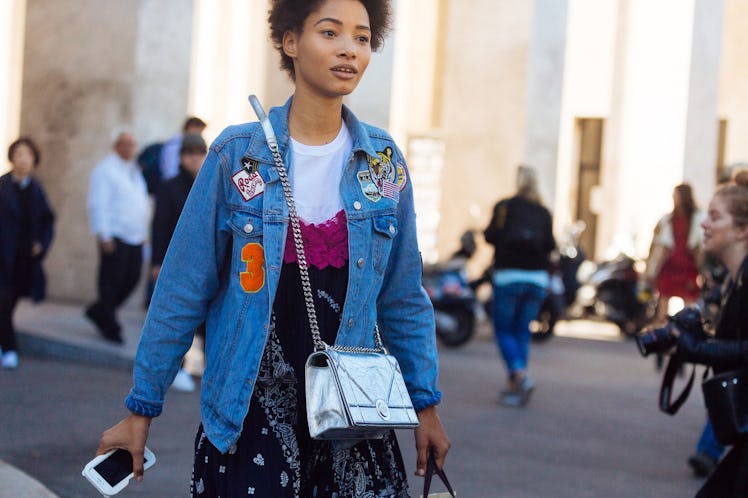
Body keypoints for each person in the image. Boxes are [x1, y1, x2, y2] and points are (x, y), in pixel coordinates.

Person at [94, 1, 450, 496]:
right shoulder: (237, 155)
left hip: (354, 423)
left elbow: (403, 298)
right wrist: (141, 408)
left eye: (363, 38)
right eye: (330, 32)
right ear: (289, 42)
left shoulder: (383, 163)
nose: (350, 48)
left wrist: (425, 406)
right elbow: (182, 289)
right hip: (252, 420)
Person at [674, 170, 748, 497]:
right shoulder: (733, 280)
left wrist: (700, 350)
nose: (704, 223)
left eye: (715, 217)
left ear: (743, 230)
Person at [484, 165, 555, 407]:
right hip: (537, 279)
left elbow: (490, 235)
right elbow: (550, 245)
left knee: (503, 330)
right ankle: (516, 384)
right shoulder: (544, 212)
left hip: (508, 277)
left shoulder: (505, 206)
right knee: (522, 332)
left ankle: (520, 376)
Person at [150, 134, 208, 393]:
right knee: (179, 320)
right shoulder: (169, 187)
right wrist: (157, 262)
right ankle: (178, 368)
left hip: (207, 265)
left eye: (200, 153)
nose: (195, 158)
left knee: (209, 322)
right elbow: (159, 226)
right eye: (190, 153)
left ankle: (210, 369)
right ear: (182, 157)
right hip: (177, 264)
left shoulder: (209, 185)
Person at [85, 129, 149, 344]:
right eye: (125, 143)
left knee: (131, 279)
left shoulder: (134, 171)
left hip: (135, 237)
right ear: (116, 146)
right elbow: (98, 203)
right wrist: (104, 234)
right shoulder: (105, 170)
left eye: (132, 144)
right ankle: (110, 325)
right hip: (115, 236)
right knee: (111, 282)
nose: (129, 147)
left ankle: (99, 310)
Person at [0, 137, 55, 369]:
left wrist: (40, 244)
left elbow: (47, 221)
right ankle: (10, 347)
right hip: (2, 254)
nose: (23, 160)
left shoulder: (36, 189)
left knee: (10, 301)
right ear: (12, 157)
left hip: (23, 258)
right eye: (19, 154)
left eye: (28, 155)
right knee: (3, 300)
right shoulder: (2, 186)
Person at [645, 183, 705, 326]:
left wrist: (701, 267)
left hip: (688, 265)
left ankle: (688, 330)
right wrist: (651, 268)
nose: (673, 198)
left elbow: (699, 244)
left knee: (689, 301)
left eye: (675, 195)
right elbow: (657, 244)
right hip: (669, 265)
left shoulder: (698, 218)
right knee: (663, 299)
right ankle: (662, 331)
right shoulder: (667, 220)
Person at [158, 116, 207, 183]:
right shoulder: (175, 145)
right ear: (191, 127)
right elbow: (170, 173)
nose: (200, 134)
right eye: (199, 131)